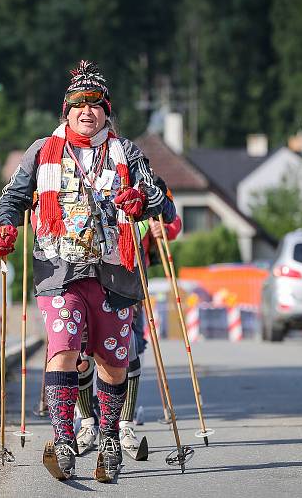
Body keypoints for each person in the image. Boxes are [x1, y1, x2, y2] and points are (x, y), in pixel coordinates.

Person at [0, 60, 168, 482]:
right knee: (64, 346)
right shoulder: (42, 151)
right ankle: (64, 438)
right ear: (66, 111)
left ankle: (108, 436)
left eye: (96, 105)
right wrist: (5, 227)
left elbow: (162, 200)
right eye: (79, 104)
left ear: (107, 111)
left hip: (115, 272)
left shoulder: (129, 153)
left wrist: (142, 201)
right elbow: (12, 196)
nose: (88, 111)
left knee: (113, 359)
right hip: (59, 269)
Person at [75, 178, 182, 461]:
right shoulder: (87, 170)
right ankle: (88, 422)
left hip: (132, 280)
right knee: (82, 353)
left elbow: (172, 218)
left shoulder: (146, 178)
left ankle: (125, 424)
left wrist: (164, 228)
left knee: (132, 346)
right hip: (88, 276)